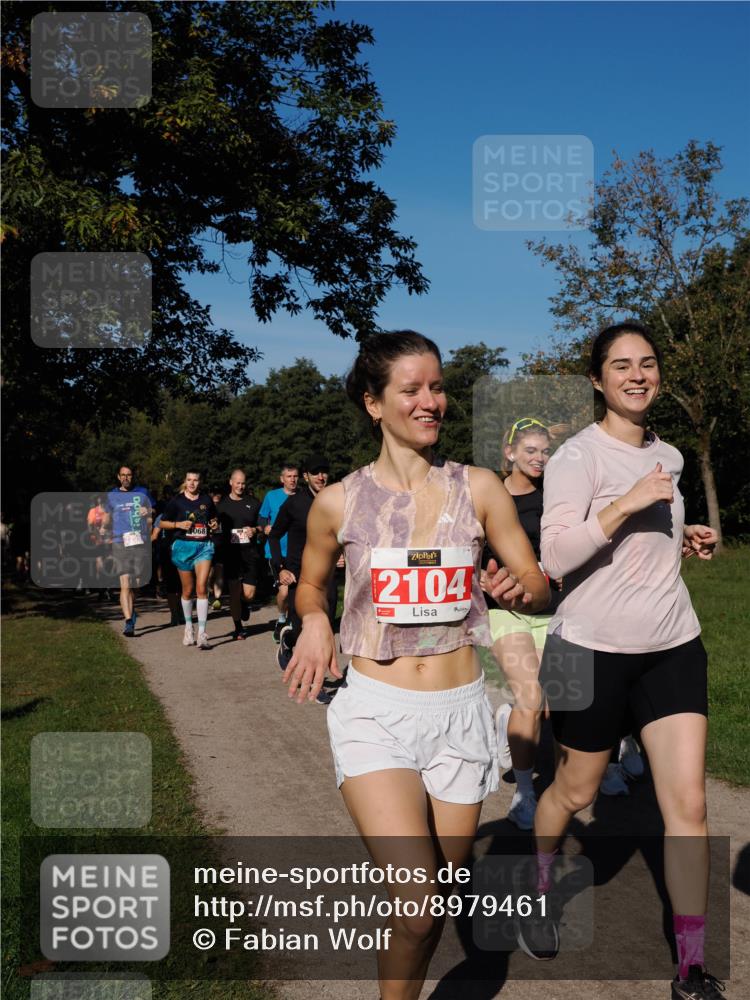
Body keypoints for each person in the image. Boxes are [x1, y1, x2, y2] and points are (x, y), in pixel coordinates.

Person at [282, 330, 549, 999]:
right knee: (419, 904)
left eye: (437, 387)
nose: (431, 401)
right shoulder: (339, 502)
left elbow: (536, 584)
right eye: (412, 389)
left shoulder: (479, 488)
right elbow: (310, 584)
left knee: (436, 899)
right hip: (377, 713)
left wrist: (521, 589)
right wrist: (314, 619)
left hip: (459, 714)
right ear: (374, 403)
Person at [518, 322, 723, 1000]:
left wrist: (683, 535)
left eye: (648, 363)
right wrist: (628, 503)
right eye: (622, 365)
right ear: (597, 379)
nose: (638, 375)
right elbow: (554, 558)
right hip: (587, 650)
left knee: (688, 805)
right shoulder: (577, 456)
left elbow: (645, 543)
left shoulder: (669, 454)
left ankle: (691, 967)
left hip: (672, 644)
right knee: (575, 792)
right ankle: (539, 887)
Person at [484, 417, 561, 830]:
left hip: (549, 609)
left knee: (545, 705)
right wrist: (481, 580)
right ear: (509, 452)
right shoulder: (490, 498)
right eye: (530, 450)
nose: (539, 458)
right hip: (505, 610)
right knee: (531, 697)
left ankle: (506, 721)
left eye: (545, 451)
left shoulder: (555, 498)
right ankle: (525, 793)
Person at [269, 454, 339, 695]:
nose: (321, 476)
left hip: (327, 573)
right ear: (306, 476)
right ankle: (316, 684)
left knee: (326, 625)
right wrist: (281, 568)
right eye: (315, 472)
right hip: (299, 574)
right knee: (305, 628)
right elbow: (274, 536)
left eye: (324, 472)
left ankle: (289, 641)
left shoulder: (334, 501)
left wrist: (341, 554)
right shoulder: (294, 503)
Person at [160, 470, 219, 650]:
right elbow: (162, 523)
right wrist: (178, 524)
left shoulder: (206, 499)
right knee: (187, 590)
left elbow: (214, 519)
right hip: (183, 547)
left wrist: (214, 523)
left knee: (201, 588)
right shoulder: (176, 501)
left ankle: (202, 633)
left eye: (195, 480)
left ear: (200, 482)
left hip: (203, 547)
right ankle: (188, 627)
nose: (192, 483)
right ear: (185, 482)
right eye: (189, 480)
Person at [103, 466, 153, 636]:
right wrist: (104, 525)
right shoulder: (112, 495)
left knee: (136, 582)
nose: (126, 478)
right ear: (118, 477)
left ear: (132, 476)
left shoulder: (143, 492)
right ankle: (129, 621)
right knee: (125, 582)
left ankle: (131, 609)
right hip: (120, 541)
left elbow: (153, 511)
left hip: (139, 541)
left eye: (129, 475)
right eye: (123, 475)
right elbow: (107, 516)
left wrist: (148, 511)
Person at [216, 469, 261, 640]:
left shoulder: (253, 503)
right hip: (231, 554)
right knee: (234, 591)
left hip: (249, 553)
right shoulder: (222, 506)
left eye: (243, 483)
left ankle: (244, 603)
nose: (240, 486)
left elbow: (262, 525)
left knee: (249, 594)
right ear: (231, 482)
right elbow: (215, 529)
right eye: (237, 483)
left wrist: (255, 530)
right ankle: (238, 628)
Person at [259, 462, 299, 642]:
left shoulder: (303, 497)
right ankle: (282, 620)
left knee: (295, 591)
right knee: (284, 592)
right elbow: (262, 518)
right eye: (289, 476)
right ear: (282, 479)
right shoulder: (272, 496)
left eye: (295, 476)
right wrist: (264, 527)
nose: (292, 480)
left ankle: (291, 622)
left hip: (297, 552)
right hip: (275, 552)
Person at [150, 512, 184, 627]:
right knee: (180, 585)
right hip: (177, 552)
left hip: (169, 552)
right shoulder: (182, 513)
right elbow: (155, 536)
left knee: (173, 586)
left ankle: (175, 614)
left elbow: (154, 536)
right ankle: (178, 613)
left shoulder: (162, 516)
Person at [86, 495, 112, 600]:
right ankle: (101, 590)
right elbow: (89, 526)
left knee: (109, 565)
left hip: (110, 541)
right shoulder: (93, 511)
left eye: (104, 499)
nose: (101, 501)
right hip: (98, 542)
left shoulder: (111, 511)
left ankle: (108, 589)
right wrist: (94, 535)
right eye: (100, 499)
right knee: (100, 566)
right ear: (97, 500)